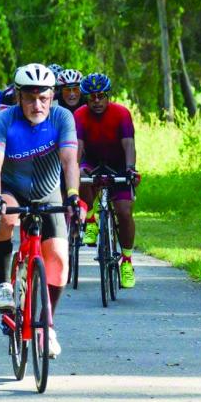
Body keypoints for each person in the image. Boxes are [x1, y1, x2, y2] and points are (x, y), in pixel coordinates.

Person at [0, 63, 85, 358]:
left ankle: (47, 326)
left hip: (47, 192)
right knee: (5, 214)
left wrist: (74, 196)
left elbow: (69, 161)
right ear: (18, 96)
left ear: (52, 96)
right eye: (30, 97)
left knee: (60, 263)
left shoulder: (62, 117)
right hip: (10, 189)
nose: (37, 104)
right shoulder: (3, 121)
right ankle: (4, 282)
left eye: (43, 97)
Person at [74, 73, 141, 289]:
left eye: (101, 96)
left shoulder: (121, 113)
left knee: (124, 212)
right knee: (81, 176)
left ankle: (127, 261)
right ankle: (91, 218)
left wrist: (130, 169)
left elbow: (129, 143)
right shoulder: (80, 115)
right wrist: (72, 169)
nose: (96, 101)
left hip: (118, 164)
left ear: (107, 96)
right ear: (86, 98)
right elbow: (78, 146)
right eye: (92, 97)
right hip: (91, 161)